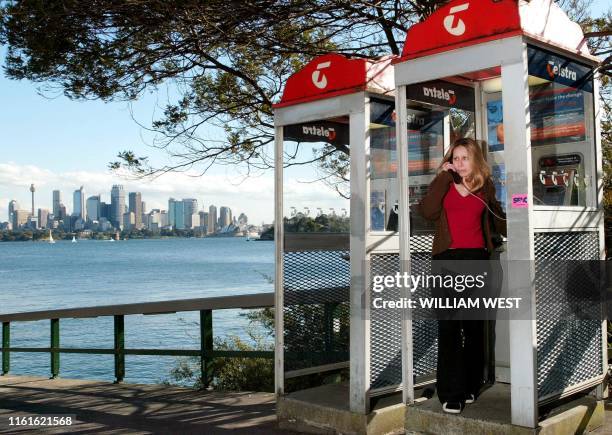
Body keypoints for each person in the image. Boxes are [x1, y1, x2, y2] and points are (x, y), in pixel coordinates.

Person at [418, 137, 506, 414]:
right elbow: (427, 211)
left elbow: (499, 220)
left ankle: (470, 384)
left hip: (477, 260)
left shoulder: (485, 186)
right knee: (449, 328)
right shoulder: (443, 185)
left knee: (474, 327)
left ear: (475, 160)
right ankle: (450, 392)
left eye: (464, 158)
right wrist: (445, 179)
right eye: (455, 158)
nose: (459, 163)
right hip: (446, 260)